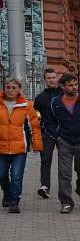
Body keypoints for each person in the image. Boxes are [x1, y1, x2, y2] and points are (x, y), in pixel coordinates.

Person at [45, 74, 80, 214]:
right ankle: (66, 202)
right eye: (70, 85)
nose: (74, 87)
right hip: (64, 141)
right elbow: (49, 122)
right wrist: (57, 136)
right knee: (64, 173)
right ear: (63, 87)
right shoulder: (55, 103)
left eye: (75, 84)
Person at [0, 79, 43, 214]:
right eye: (8, 87)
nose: (10, 90)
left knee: (16, 175)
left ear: (19, 89)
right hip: (1, 147)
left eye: (14, 87)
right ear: (4, 88)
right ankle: (7, 192)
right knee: (1, 174)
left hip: (20, 148)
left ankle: (14, 201)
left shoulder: (27, 105)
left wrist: (37, 144)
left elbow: (34, 126)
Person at [34, 68, 62, 199]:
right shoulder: (40, 98)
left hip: (64, 133)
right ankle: (44, 186)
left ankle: (64, 187)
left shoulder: (64, 94)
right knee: (45, 160)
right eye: (48, 78)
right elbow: (35, 116)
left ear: (57, 78)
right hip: (47, 133)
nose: (51, 80)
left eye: (53, 77)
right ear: (45, 80)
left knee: (64, 161)